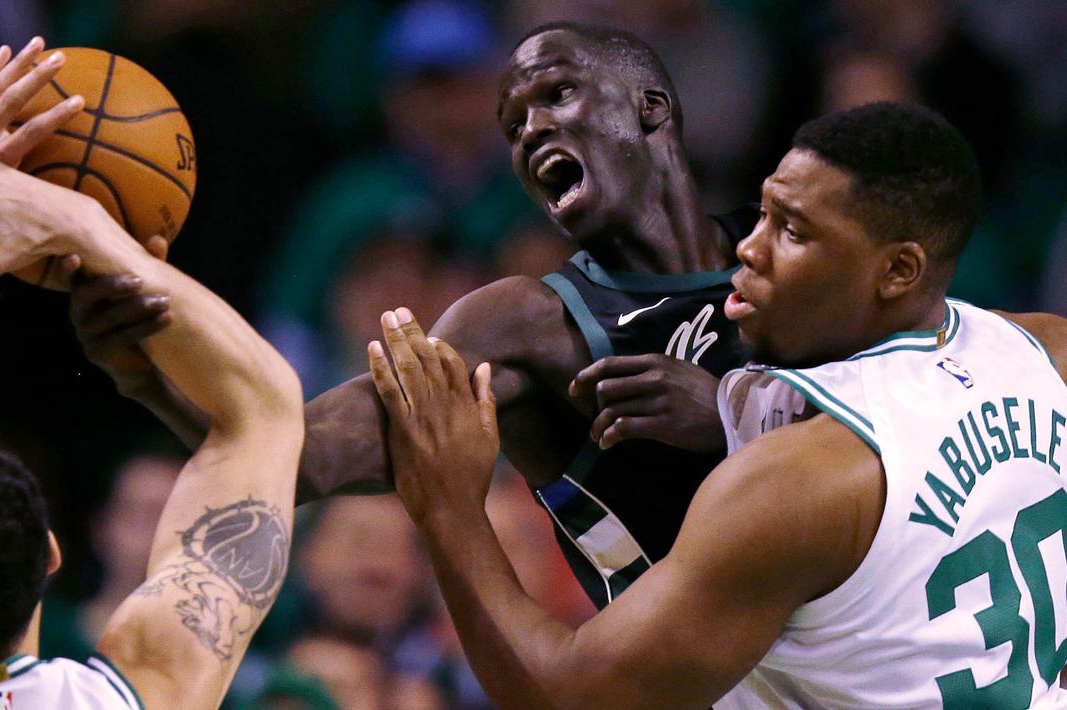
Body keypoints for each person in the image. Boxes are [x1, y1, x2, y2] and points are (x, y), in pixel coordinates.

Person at [366, 102, 1067, 708]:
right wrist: (738, 417)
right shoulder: (1043, 351)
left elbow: (567, 695)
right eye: (761, 212)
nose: (748, 248)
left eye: (792, 231)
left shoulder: (801, 485)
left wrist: (449, 505)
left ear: (897, 270)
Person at [69, 21, 761, 609]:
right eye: (512, 125)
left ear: (650, 107)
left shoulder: (787, 261)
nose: (531, 130)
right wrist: (151, 375)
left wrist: (733, 415)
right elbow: (297, 458)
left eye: (559, 94)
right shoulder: (520, 325)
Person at [0, 42, 303, 709]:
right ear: (50, 557)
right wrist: (83, 226)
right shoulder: (145, 687)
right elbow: (264, 408)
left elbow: (263, 410)